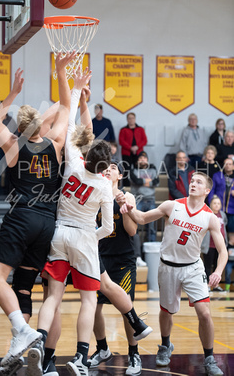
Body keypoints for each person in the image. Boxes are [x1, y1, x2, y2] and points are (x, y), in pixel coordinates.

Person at [0, 52, 76, 371]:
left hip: (22, 216)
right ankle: (19, 352)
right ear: (40, 125)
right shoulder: (55, 142)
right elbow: (65, 108)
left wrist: (11, 93)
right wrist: (62, 72)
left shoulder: (12, 144)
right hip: (48, 223)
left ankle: (23, 331)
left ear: (20, 128)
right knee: (23, 288)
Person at [30, 73, 113, 376]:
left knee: (54, 296)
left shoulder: (75, 163)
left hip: (58, 232)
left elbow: (80, 133)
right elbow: (107, 227)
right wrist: (94, 236)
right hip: (84, 237)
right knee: (89, 299)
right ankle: (80, 356)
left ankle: (39, 340)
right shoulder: (104, 185)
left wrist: (78, 96)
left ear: (89, 156)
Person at [120, 172, 228, 376]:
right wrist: (129, 209)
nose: (193, 184)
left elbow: (222, 251)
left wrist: (218, 271)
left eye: (198, 182)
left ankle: (209, 357)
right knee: (166, 311)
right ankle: (165, 345)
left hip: (193, 268)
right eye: (192, 181)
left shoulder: (210, 218)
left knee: (204, 313)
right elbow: (142, 219)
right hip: (168, 266)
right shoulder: (172, 205)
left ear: (207, 190)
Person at [88, 159, 153, 376]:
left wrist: (126, 209)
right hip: (100, 258)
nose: (108, 169)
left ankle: (133, 353)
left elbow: (132, 232)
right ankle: (103, 348)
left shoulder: (127, 196)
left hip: (123, 259)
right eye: (105, 167)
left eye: (113, 168)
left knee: (126, 308)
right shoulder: (94, 195)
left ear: (120, 176)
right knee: (94, 307)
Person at [130, 151, 159, 242]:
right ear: (137, 161)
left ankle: (150, 250)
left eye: (145, 158)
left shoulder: (153, 170)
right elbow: (136, 181)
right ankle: (136, 249)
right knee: (134, 226)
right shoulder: (133, 170)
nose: (143, 160)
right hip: (138, 200)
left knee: (151, 227)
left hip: (150, 200)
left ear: (147, 160)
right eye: (140, 158)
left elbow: (156, 182)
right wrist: (148, 181)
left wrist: (142, 181)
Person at [201, 195, 227, 292]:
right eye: (214, 203)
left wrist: (226, 242)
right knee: (207, 265)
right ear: (211, 204)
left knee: (218, 265)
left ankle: (216, 285)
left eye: (218, 203)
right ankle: (207, 285)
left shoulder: (223, 215)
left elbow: (224, 228)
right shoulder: (207, 214)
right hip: (209, 245)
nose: (216, 205)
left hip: (220, 246)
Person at [208, 158, 234, 244]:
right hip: (218, 208)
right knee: (218, 231)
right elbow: (211, 190)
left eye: (230, 164)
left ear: (233, 166)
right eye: (226, 164)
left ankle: (229, 253)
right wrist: (211, 203)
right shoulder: (217, 175)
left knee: (231, 232)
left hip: (232, 209)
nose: (228, 166)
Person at [119, 113, 147, 187]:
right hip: (127, 153)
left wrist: (137, 147)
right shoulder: (123, 130)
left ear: (135, 119)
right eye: (129, 118)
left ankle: (138, 184)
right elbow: (121, 141)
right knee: (126, 170)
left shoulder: (140, 129)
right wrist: (130, 148)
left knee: (138, 169)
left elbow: (144, 140)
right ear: (127, 119)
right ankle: (126, 186)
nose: (131, 120)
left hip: (138, 153)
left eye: (132, 118)